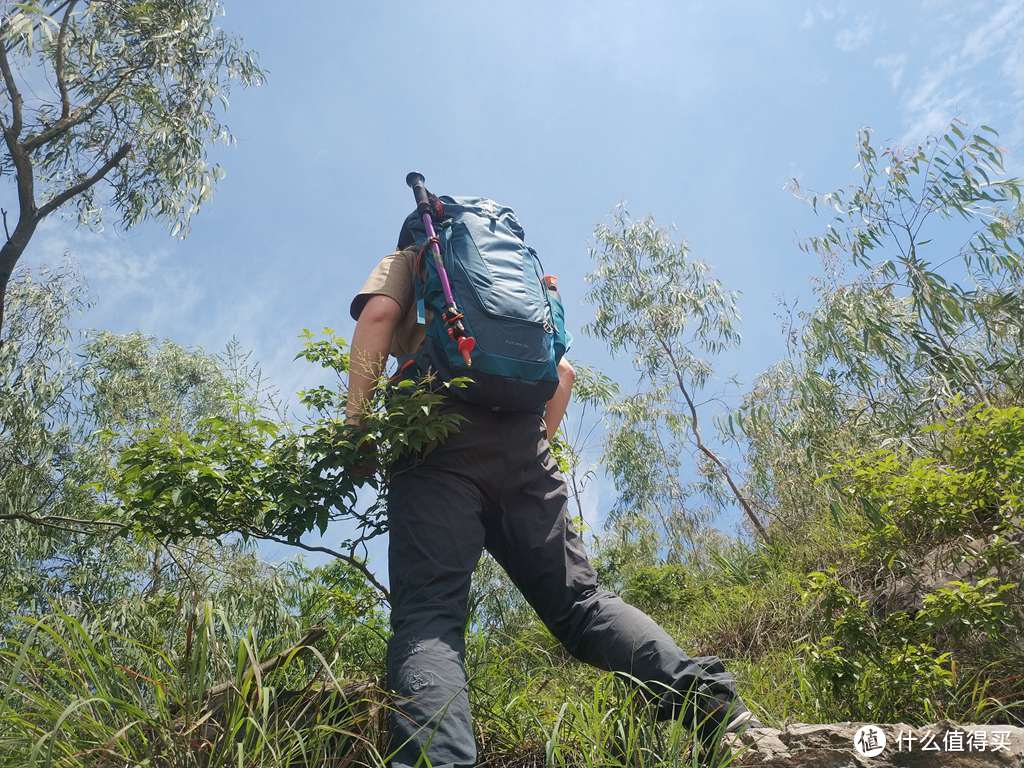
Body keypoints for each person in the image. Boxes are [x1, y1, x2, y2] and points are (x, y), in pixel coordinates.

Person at [347, 237, 759, 768]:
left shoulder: (414, 256)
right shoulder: (517, 277)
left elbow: (378, 315)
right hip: (522, 437)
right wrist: (529, 449)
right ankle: (719, 712)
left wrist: (357, 430)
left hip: (434, 434)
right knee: (583, 606)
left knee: (429, 619)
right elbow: (563, 374)